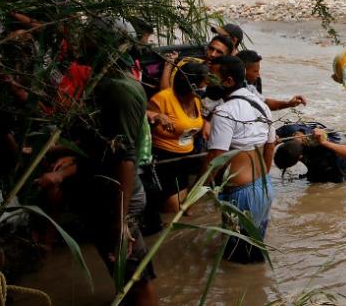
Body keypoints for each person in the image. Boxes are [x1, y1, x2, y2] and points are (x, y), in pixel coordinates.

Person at [72, 27, 158, 304]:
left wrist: (120, 223)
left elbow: (125, 156)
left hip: (118, 200)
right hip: (108, 196)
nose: (81, 41)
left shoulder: (119, 89)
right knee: (124, 277)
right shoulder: (103, 82)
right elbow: (103, 143)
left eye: (88, 37)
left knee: (136, 280)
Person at [203, 55, 275, 263]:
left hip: (240, 196)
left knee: (237, 260)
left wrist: (196, 194)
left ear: (228, 82)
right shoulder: (261, 105)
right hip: (263, 187)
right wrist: (262, 177)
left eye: (212, 77)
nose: (208, 81)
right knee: (253, 254)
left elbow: (215, 157)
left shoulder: (224, 112)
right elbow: (271, 146)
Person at [147, 60, 209, 213]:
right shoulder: (163, 98)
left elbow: (197, 121)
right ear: (192, 84)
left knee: (184, 207)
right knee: (173, 209)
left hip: (185, 159)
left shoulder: (195, 100)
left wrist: (206, 123)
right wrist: (157, 115)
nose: (205, 87)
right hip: (164, 159)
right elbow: (143, 115)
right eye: (203, 83)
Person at [273, 123, 346, 183]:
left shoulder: (319, 143)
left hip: (338, 172)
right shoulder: (288, 131)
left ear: (300, 157)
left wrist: (324, 143)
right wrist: (273, 142)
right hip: (314, 164)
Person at [236, 49, 307, 111]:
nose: (258, 75)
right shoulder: (232, 90)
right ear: (243, 71)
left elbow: (264, 103)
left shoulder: (248, 87)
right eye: (255, 71)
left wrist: (289, 104)